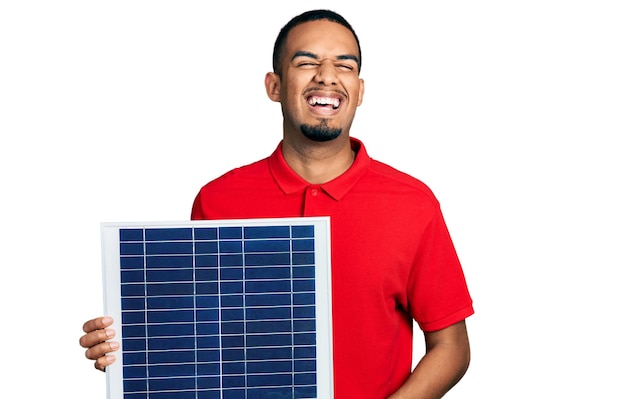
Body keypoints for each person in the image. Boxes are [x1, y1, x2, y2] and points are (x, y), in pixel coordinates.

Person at [80, 9, 474, 399]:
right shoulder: (218, 199)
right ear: (274, 86)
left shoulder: (412, 203)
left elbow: (451, 347)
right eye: (306, 62)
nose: (327, 74)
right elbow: (201, 336)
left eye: (344, 65)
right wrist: (127, 346)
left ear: (360, 90)